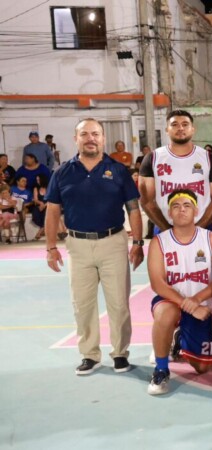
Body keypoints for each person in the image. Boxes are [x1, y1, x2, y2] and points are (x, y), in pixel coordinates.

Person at [44, 118, 144, 375]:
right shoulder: (62, 172)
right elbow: (53, 211)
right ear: (75, 139)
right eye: (85, 134)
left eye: (95, 134)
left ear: (103, 139)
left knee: (119, 302)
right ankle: (90, 355)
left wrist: (138, 243)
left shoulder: (119, 170)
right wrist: (51, 247)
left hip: (113, 242)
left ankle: (120, 353)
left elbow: (133, 208)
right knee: (83, 303)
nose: (91, 138)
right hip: (77, 245)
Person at [146, 189, 212, 395]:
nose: (181, 210)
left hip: (200, 306)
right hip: (171, 302)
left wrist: (197, 300)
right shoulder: (160, 242)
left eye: (187, 206)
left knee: (203, 367)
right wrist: (186, 304)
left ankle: (180, 338)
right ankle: (161, 369)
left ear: (196, 211)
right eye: (176, 206)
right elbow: (158, 284)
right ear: (169, 214)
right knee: (166, 313)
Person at [139, 110, 212, 235]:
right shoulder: (152, 158)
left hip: (203, 227)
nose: (180, 128)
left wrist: (197, 229)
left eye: (185, 124)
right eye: (174, 125)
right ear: (167, 129)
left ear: (193, 129)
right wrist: (168, 230)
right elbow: (146, 200)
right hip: (164, 227)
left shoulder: (209, 158)